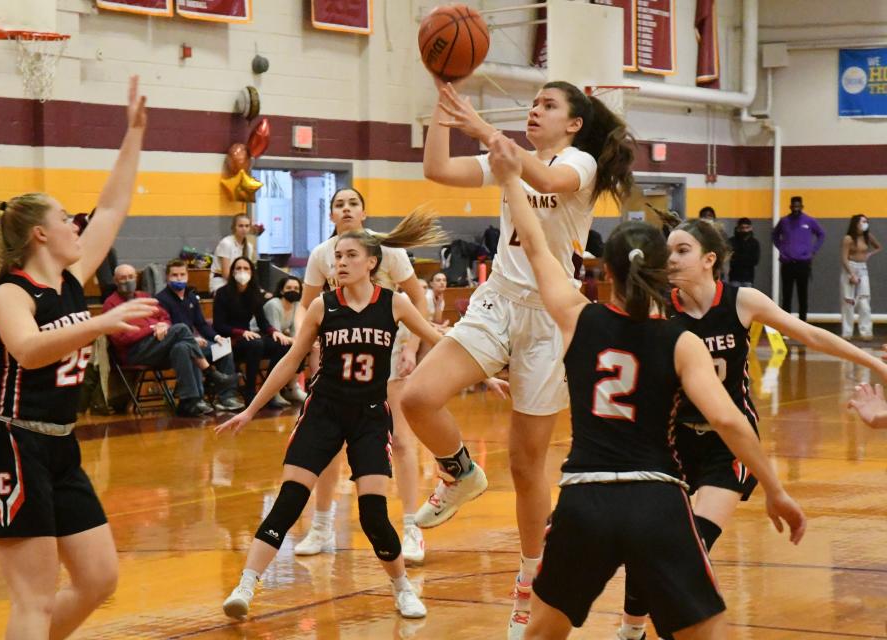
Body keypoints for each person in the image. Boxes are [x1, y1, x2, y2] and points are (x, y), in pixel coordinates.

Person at [484, 134, 805, 640]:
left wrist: (508, 178)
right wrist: (775, 488)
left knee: (543, 632)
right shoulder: (681, 341)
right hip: (656, 500)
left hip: (584, 500)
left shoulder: (574, 317)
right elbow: (727, 419)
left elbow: (538, 245)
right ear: (663, 273)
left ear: (605, 271)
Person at [401, 76, 635, 637]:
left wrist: (485, 132)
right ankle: (458, 471)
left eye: (548, 105)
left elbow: (547, 177)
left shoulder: (579, 164)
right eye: (533, 103)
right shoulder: (513, 159)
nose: (535, 110)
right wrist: (442, 106)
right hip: (497, 302)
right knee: (417, 396)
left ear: (574, 123)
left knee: (528, 466)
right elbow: (438, 169)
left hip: (550, 318)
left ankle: (532, 583)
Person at [618, 218, 887, 640]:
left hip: (731, 444)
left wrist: (874, 362)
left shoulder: (742, 301)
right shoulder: (660, 309)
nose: (671, 258)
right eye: (668, 251)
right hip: (672, 442)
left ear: (709, 259)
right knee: (649, 544)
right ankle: (630, 629)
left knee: (688, 550)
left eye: (682, 250)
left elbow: (811, 334)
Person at [0, 77, 160, 640]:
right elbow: (26, 352)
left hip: (59, 442)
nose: (77, 222)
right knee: (35, 599)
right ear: (40, 236)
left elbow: (115, 205)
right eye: (65, 218)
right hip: (12, 442)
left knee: (99, 578)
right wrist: (99, 323)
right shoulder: (9, 293)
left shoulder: (72, 280)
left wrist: (135, 134)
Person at [214, 210, 449, 621]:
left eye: (349, 255)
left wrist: (489, 371)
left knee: (373, 514)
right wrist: (251, 409)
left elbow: (439, 341)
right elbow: (290, 362)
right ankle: (246, 585)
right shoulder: (324, 306)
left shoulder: (395, 303)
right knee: (288, 503)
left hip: (371, 417)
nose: (339, 262)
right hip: (323, 412)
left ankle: (402, 588)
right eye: (336, 256)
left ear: (371, 262)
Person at [293, 187, 431, 565]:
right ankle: (321, 526)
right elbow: (306, 306)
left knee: (401, 441)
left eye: (353, 203)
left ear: (364, 214)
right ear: (332, 216)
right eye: (340, 204)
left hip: (389, 354)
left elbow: (418, 298)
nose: (347, 208)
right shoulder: (323, 255)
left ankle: (411, 528)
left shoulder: (390, 251)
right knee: (331, 444)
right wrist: (305, 341)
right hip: (344, 361)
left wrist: (411, 346)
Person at [104, 264, 237, 417]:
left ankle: (204, 400)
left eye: (131, 277)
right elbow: (121, 338)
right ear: (115, 280)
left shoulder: (146, 297)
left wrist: (164, 325)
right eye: (123, 278)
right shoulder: (112, 304)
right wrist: (153, 327)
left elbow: (167, 318)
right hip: (137, 351)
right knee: (181, 330)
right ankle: (211, 374)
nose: (127, 281)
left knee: (194, 347)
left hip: (170, 345)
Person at [155, 259, 244, 412]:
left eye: (182, 274)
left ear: (187, 276)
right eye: (174, 275)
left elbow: (201, 324)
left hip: (195, 343)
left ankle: (226, 397)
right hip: (176, 347)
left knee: (224, 348)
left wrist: (216, 338)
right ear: (167, 277)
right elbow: (169, 328)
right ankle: (197, 399)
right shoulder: (161, 299)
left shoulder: (191, 297)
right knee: (188, 348)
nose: (178, 278)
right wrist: (193, 339)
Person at [212, 256, 291, 407]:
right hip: (226, 341)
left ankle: (269, 391)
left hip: (248, 341)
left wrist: (274, 331)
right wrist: (240, 332)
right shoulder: (222, 293)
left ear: (252, 272)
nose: (242, 272)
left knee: (282, 344)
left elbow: (262, 323)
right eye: (238, 268)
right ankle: (250, 393)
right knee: (256, 344)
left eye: (246, 268)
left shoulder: (254, 293)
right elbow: (218, 325)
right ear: (232, 272)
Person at [771, 196, 825, 322]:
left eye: (798, 207)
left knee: (802, 295)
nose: (795, 209)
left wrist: (813, 250)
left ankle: (803, 323)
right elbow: (774, 235)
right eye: (793, 206)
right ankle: (786, 326)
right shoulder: (784, 221)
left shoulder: (809, 220)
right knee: (786, 296)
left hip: (803, 263)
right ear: (790, 207)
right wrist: (782, 248)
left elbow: (821, 234)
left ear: (802, 207)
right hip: (788, 263)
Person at [262, 275, 307, 403]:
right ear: (281, 290)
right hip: (261, 337)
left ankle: (292, 388)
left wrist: (298, 341)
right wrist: (294, 340)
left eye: (296, 288)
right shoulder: (273, 304)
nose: (292, 290)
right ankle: (273, 391)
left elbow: (296, 333)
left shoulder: (297, 306)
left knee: (302, 346)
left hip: (281, 339)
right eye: (289, 288)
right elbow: (275, 331)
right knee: (282, 346)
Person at [840, 214, 880, 340]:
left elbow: (878, 247)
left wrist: (869, 254)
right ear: (856, 223)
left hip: (863, 269)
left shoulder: (867, 237)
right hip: (850, 268)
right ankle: (847, 333)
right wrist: (851, 274)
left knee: (864, 302)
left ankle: (866, 331)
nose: (865, 223)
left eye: (866, 221)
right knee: (848, 302)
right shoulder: (848, 239)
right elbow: (844, 258)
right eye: (863, 221)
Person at [210, 214, 257, 293]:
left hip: (241, 281)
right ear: (234, 227)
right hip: (221, 281)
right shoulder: (226, 243)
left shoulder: (249, 247)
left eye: (247, 226)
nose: (244, 229)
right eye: (240, 226)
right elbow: (226, 274)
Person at [726, 217, 759, 287]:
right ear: (738, 228)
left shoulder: (754, 242)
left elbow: (755, 260)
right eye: (742, 228)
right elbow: (730, 258)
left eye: (747, 227)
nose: (745, 230)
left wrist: (738, 257)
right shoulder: (732, 241)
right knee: (734, 296)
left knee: (747, 297)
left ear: (751, 228)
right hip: (734, 277)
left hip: (748, 278)